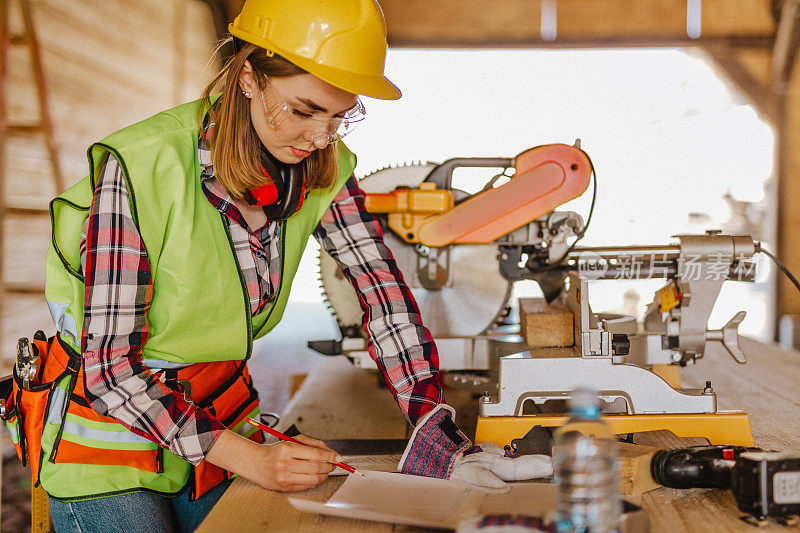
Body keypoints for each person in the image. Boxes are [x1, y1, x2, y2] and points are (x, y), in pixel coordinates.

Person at [19, 1, 551, 531]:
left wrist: (438, 435)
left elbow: (384, 296)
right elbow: (110, 372)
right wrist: (251, 460)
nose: (321, 137)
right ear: (248, 77)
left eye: (341, 115)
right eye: (303, 110)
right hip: (109, 447)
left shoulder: (323, 167)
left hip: (216, 427)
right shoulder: (140, 169)